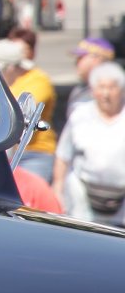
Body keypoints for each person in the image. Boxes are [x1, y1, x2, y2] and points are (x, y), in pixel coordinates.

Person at [53, 61, 125, 226]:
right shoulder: (80, 115)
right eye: (101, 87)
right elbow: (63, 155)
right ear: (93, 90)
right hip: (83, 193)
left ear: (121, 90)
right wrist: (57, 188)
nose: (106, 94)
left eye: (112, 88)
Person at [0, 26, 59, 179]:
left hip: (34, 151)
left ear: (32, 52)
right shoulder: (4, 75)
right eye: (13, 48)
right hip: (4, 149)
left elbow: (21, 110)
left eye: (23, 49)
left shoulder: (39, 79)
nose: (18, 53)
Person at [68, 36, 114, 112]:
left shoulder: (112, 92)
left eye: (80, 58)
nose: (76, 63)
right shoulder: (80, 89)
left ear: (96, 59)